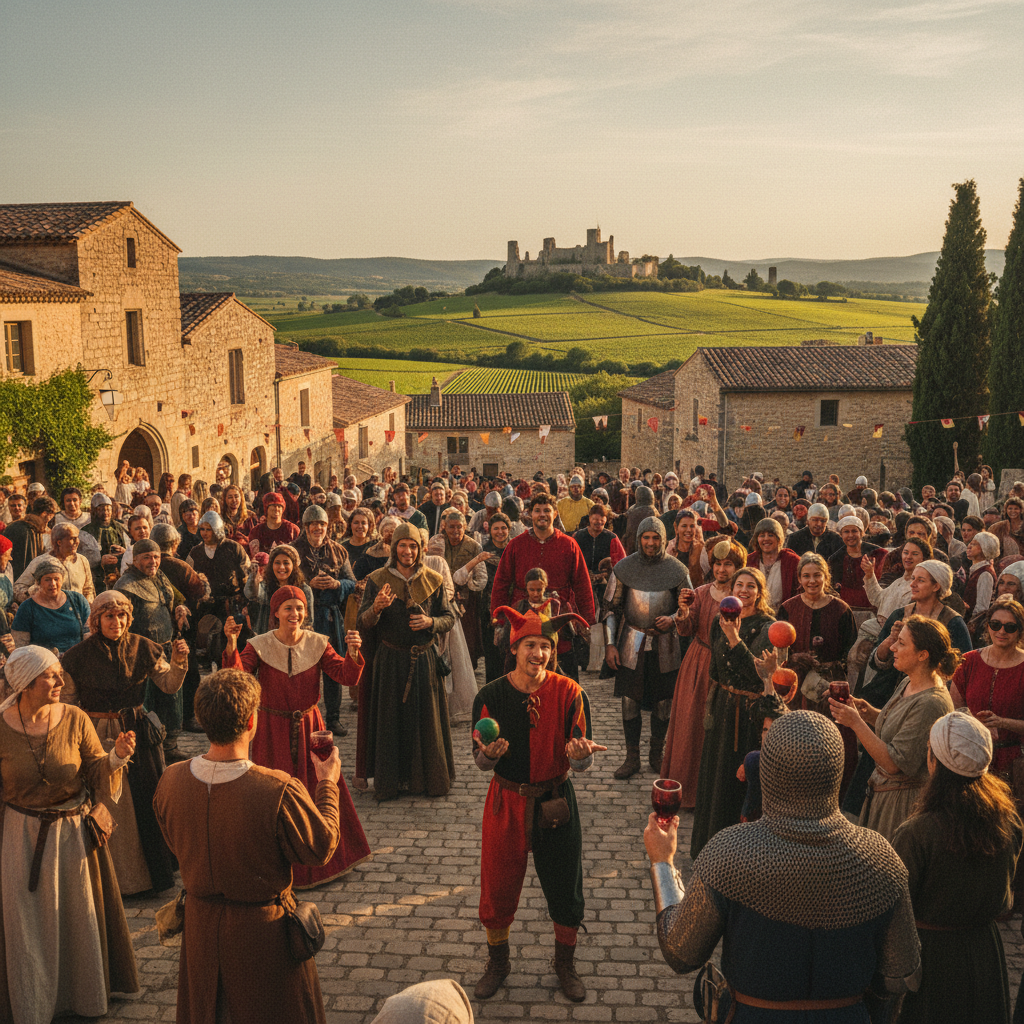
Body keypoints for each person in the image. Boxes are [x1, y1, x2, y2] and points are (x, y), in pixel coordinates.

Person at [645, 710, 921, 1021]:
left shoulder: (731, 852)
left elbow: (681, 952)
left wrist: (662, 862)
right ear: (837, 771)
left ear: (767, 770)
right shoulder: (879, 856)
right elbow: (900, 976)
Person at [153, 667, 342, 1024]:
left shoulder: (170, 780)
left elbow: (175, 843)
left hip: (201, 928)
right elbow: (321, 847)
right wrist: (328, 783)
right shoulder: (277, 789)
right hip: (263, 936)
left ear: (202, 718)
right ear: (252, 719)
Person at [471, 605, 605, 1002]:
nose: (539, 653)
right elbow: (479, 762)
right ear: (515, 648)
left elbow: (582, 762)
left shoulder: (569, 692)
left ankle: (565, 963)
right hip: (506, 802)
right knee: (497, 886)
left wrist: (579, 754)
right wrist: (491, 755)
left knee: (565, 887)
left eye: (545, 646)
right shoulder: (490, 695)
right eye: (531, 644)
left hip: (555, 802)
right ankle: (498, 961)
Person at [0, 645, 139, 1023]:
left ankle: (82, 996)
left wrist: (116, 757)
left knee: (77, 918)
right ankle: (32, 1003)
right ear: (25, 684)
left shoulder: (75, 719)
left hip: (71, 835)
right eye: (50, 675)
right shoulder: (1, 726)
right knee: (27, 925)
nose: (60, 680)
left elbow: (94, 769)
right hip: (21, 838)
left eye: (59, 672)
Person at [222, 586, 371, 886]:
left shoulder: (318, 643)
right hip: (270, 729)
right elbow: (236, 677)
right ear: (275, 612)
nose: (295, 614)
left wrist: (353, 654)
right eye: (288, 608)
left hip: (310, 726)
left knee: (319, 786)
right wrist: (231, 645)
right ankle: (274, 862)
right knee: (271, 792)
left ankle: (324, 860)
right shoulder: (259, 645)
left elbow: (345, 676)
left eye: (299, 608)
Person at [892, 712, 1021, 1024]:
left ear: (934, 763)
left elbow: (896, 908)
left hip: (932, 958)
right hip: (984, 951)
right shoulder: (1009, 822)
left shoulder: (917, 832)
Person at [61, 590, 188, 895]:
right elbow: (68, 702)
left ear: (129, 618)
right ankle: (110, 879)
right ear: (96, 620)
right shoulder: (77, 656)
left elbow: (168, 685)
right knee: (107, 802)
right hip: (96, 732)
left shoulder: (144, 647)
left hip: (137, 732)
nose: (116, 622)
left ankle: (148, 877)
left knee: (146, 800)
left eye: (121, 616)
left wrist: (179, 662)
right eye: (108, 616)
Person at [832, 616, 958, 842]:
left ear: (923, 654)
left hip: (901, 805)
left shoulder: (932, 703)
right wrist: (866, 711)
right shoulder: (908, 682)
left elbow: (893, 763)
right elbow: (898, 725)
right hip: (883, 795)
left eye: (901, 643)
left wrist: (855, 723)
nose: (892, 647)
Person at [357, 522, 457, 802]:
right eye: (403, 545)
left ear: (420, 549)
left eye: (413, 546)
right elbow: (362, 621)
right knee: (391, 721)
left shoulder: (433, 580)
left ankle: (426, 780)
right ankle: (391, 782)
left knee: (424, 722)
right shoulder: (377, 579)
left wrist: (431, 621)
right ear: (394, 548)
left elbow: (449, 618)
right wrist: (376, 608)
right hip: (389, 661)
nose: (408, 551)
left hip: (423, 660)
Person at [690, 567, 778, 859]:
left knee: (737, 780)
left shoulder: (768, 627)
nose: (743, 590)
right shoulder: (721, 619)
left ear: (760, 591)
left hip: (748, 713)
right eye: (738, 584)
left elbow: (758, 676)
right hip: (722, 706)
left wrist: (734, 640)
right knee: (714, 774)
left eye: (750, 586)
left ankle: (737, 855)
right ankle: (708, 847)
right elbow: (716, 668)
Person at [661, 539, 746, 806]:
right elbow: (686, 630)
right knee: (692, 725)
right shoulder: (699, 592)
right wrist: (683, 613)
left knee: (721, 729)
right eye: (718, 564)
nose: (722, 570)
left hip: (730, 667)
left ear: (738, 567)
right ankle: (688, 792)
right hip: (699, 664)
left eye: (728, 564)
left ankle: (716, 793)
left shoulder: (744, 595)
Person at [603, 517, 689, 779]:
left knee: (664, 703)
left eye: (655, 538)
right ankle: (632, 758)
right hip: (632, 641)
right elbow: (610, 609)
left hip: (667, 643)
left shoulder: (677, 570)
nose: (650, 543)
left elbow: (689, 606)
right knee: (629, 702)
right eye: (646, 537)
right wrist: (609, 644)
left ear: (663, 539)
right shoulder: (624, 568)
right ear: (639, 538)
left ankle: (656, 753)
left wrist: (673, 619)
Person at [491, 494, 596, 682]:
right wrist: (499, 622)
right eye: (537, 510)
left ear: (555, 513)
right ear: (530, 514)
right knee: (521, 677)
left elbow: (581, 584)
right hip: (522, 617)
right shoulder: (516, 545)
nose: (542, 515)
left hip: (558, 619)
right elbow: (501, 584)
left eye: (547, 510)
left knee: (562, 682)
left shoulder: (569, 544)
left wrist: (586, 621)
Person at [294, 505, 356, 736]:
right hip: (303, 619)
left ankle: (333, 718)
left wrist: (336, 584)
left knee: (333, 669)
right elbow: (285, 579)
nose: (318, 528)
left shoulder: (339, 551)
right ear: (306, 527)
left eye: (322, 525)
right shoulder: (294, 551)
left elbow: (352, 582)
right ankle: (301, 714)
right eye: (314, 525)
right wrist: (308, 585)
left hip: (330, 617)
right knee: (303, 669)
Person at [951, 597, 1024, 778]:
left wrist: (1002, 723)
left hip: (1013, 763)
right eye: (995, 624)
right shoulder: (968, 661)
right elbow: (952, 710)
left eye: (1010, 627)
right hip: (970, 757)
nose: (1001, 631)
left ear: (1020, 631)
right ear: (988, 626)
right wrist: (975, 723)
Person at [10, 556, 90, 654]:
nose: (53, 583)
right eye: (47, 579)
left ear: (62, 580)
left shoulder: (77, 600)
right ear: (38, 582)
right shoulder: (27, 608)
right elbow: (20, 647)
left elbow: (89, 635)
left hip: (75, 661)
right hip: (42, 665)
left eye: (56, 579)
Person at [13, 521, 94, 603]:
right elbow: (18, 588)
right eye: (72, 538)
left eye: (77, 538)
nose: (77, 542)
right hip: (50, 612)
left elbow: (89, 589)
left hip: (77, 612)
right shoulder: (41, 561)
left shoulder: (82, 560)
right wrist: (36, 600)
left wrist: (87, 607)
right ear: (59, 542)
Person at [245, 543, 314, 635]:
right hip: (268, 637)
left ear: (294, 566)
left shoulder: (304, 589)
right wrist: (253, 574)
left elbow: (309, 620)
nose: (281, 567)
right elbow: (251, 594)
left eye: (286, 563)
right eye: (277, 563)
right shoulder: (265, 586)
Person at [745, 518, 800, 611]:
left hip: (783, 617)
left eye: (771, 535)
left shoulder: (792, 561)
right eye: (762, 535)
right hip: (755, 616)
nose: (766, 539)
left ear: (779, 538)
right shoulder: (749, 561)